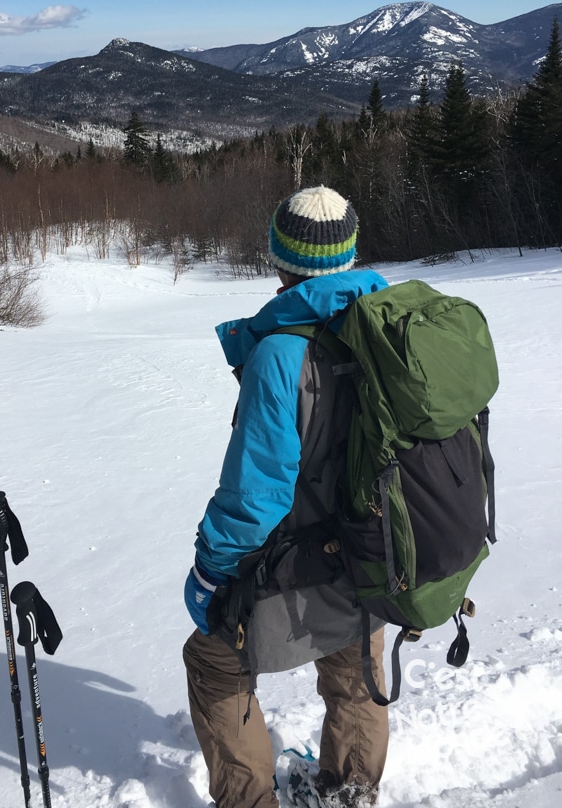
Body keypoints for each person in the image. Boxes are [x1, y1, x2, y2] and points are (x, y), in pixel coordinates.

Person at [183, 186, 391, 808]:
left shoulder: (281, 353)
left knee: (214, 662)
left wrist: (210, 572)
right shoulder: (388, 326)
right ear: (351, 254)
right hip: (381, 553)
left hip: (307, 561)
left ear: (280, 259)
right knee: (357, 670)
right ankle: (350, 792)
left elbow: (257, 495)